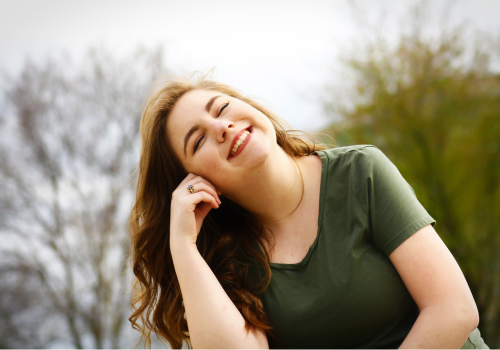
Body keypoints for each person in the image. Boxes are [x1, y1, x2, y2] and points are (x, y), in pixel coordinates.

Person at [128, 71, 489, 349]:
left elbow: (453, 310)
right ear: (195, 181)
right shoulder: (226, 261)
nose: (222, 127)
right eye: (199, 139)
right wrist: (183, 246)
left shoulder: (360, 172)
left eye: (221, 108)